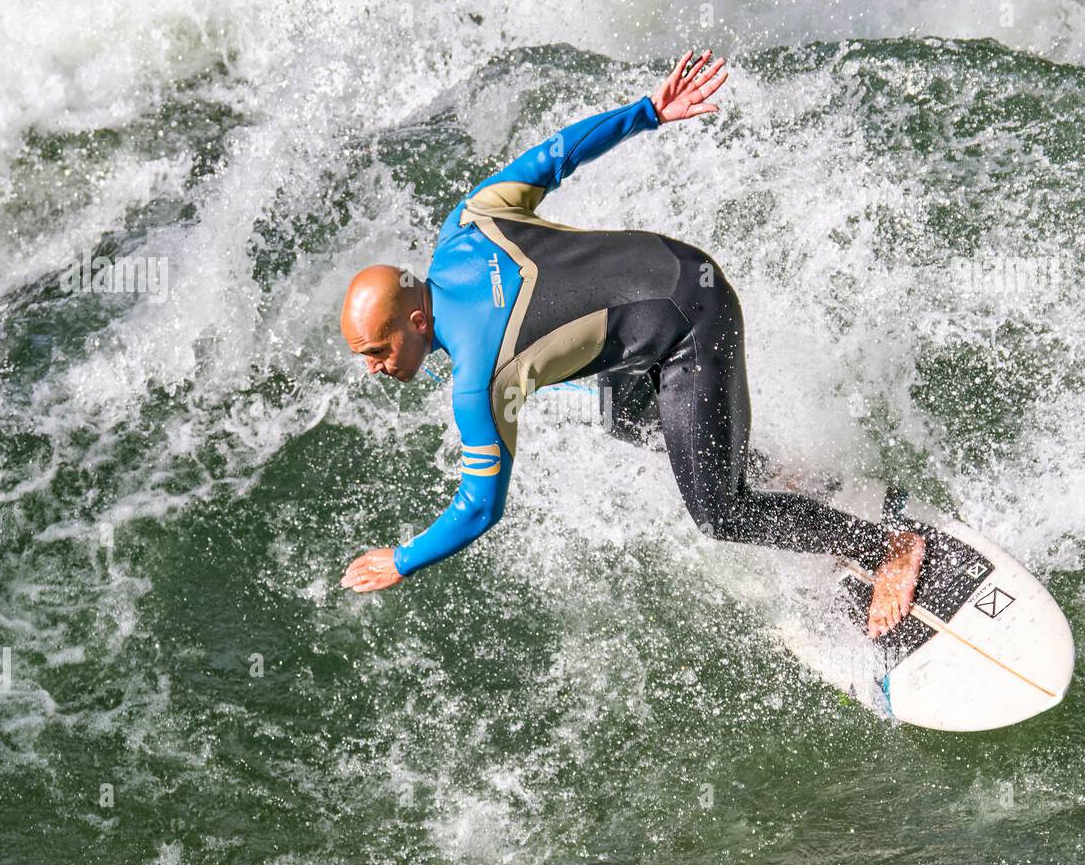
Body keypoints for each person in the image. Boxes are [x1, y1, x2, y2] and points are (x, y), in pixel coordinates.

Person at [339, 50, 926, 638]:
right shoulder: (465, 226)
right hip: (677, 266)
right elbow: (555, 155)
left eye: (376, 349)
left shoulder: (478, 382)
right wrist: (648, 111)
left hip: (691, 324)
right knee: (625, 419)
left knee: (719, 515)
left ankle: (888, 549)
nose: (373, 367)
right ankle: (767, 471)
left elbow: (480, 508)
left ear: (417, 320)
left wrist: (401, 560)